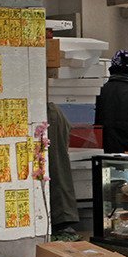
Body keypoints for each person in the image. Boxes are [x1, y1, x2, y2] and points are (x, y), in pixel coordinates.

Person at [46, 102, 80, 241]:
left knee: (56, 171)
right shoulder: (54, 110)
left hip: (52, 122)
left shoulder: (50, 112)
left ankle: (61, 221)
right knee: (58, 171)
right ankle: (63, 220)